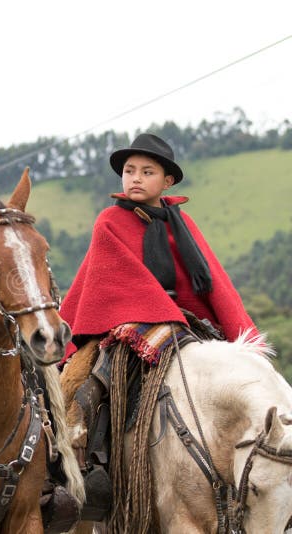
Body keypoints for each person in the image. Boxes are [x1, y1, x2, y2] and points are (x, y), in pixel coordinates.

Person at [58, 133, 259, 523]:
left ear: (167, 182)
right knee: (90, 377)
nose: (135, 178)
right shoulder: (110, 221)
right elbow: (115, 278)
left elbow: (212, 281)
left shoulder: (181, 223)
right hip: (122, 322)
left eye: (147, 172)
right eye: (129, 171)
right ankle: (84, 457)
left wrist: (233, 329)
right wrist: (155, 310)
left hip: (183, 321)